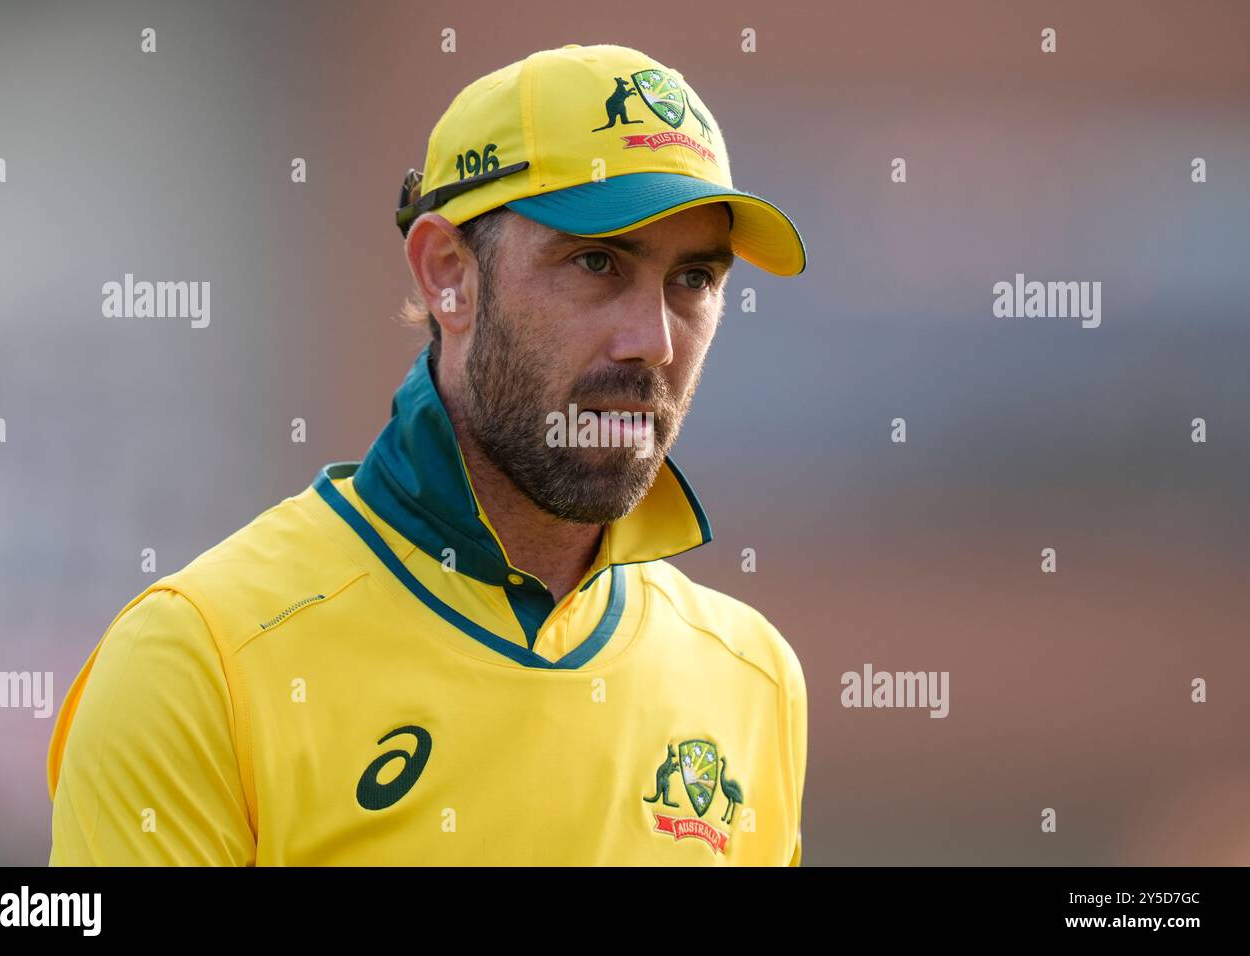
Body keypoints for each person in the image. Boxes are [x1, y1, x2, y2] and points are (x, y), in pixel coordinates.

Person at [47, 42, 809, 865]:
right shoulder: (198, 661)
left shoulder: (751, 675)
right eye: (596, 262)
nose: (653, 342)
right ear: (448, 274)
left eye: (694, 280)